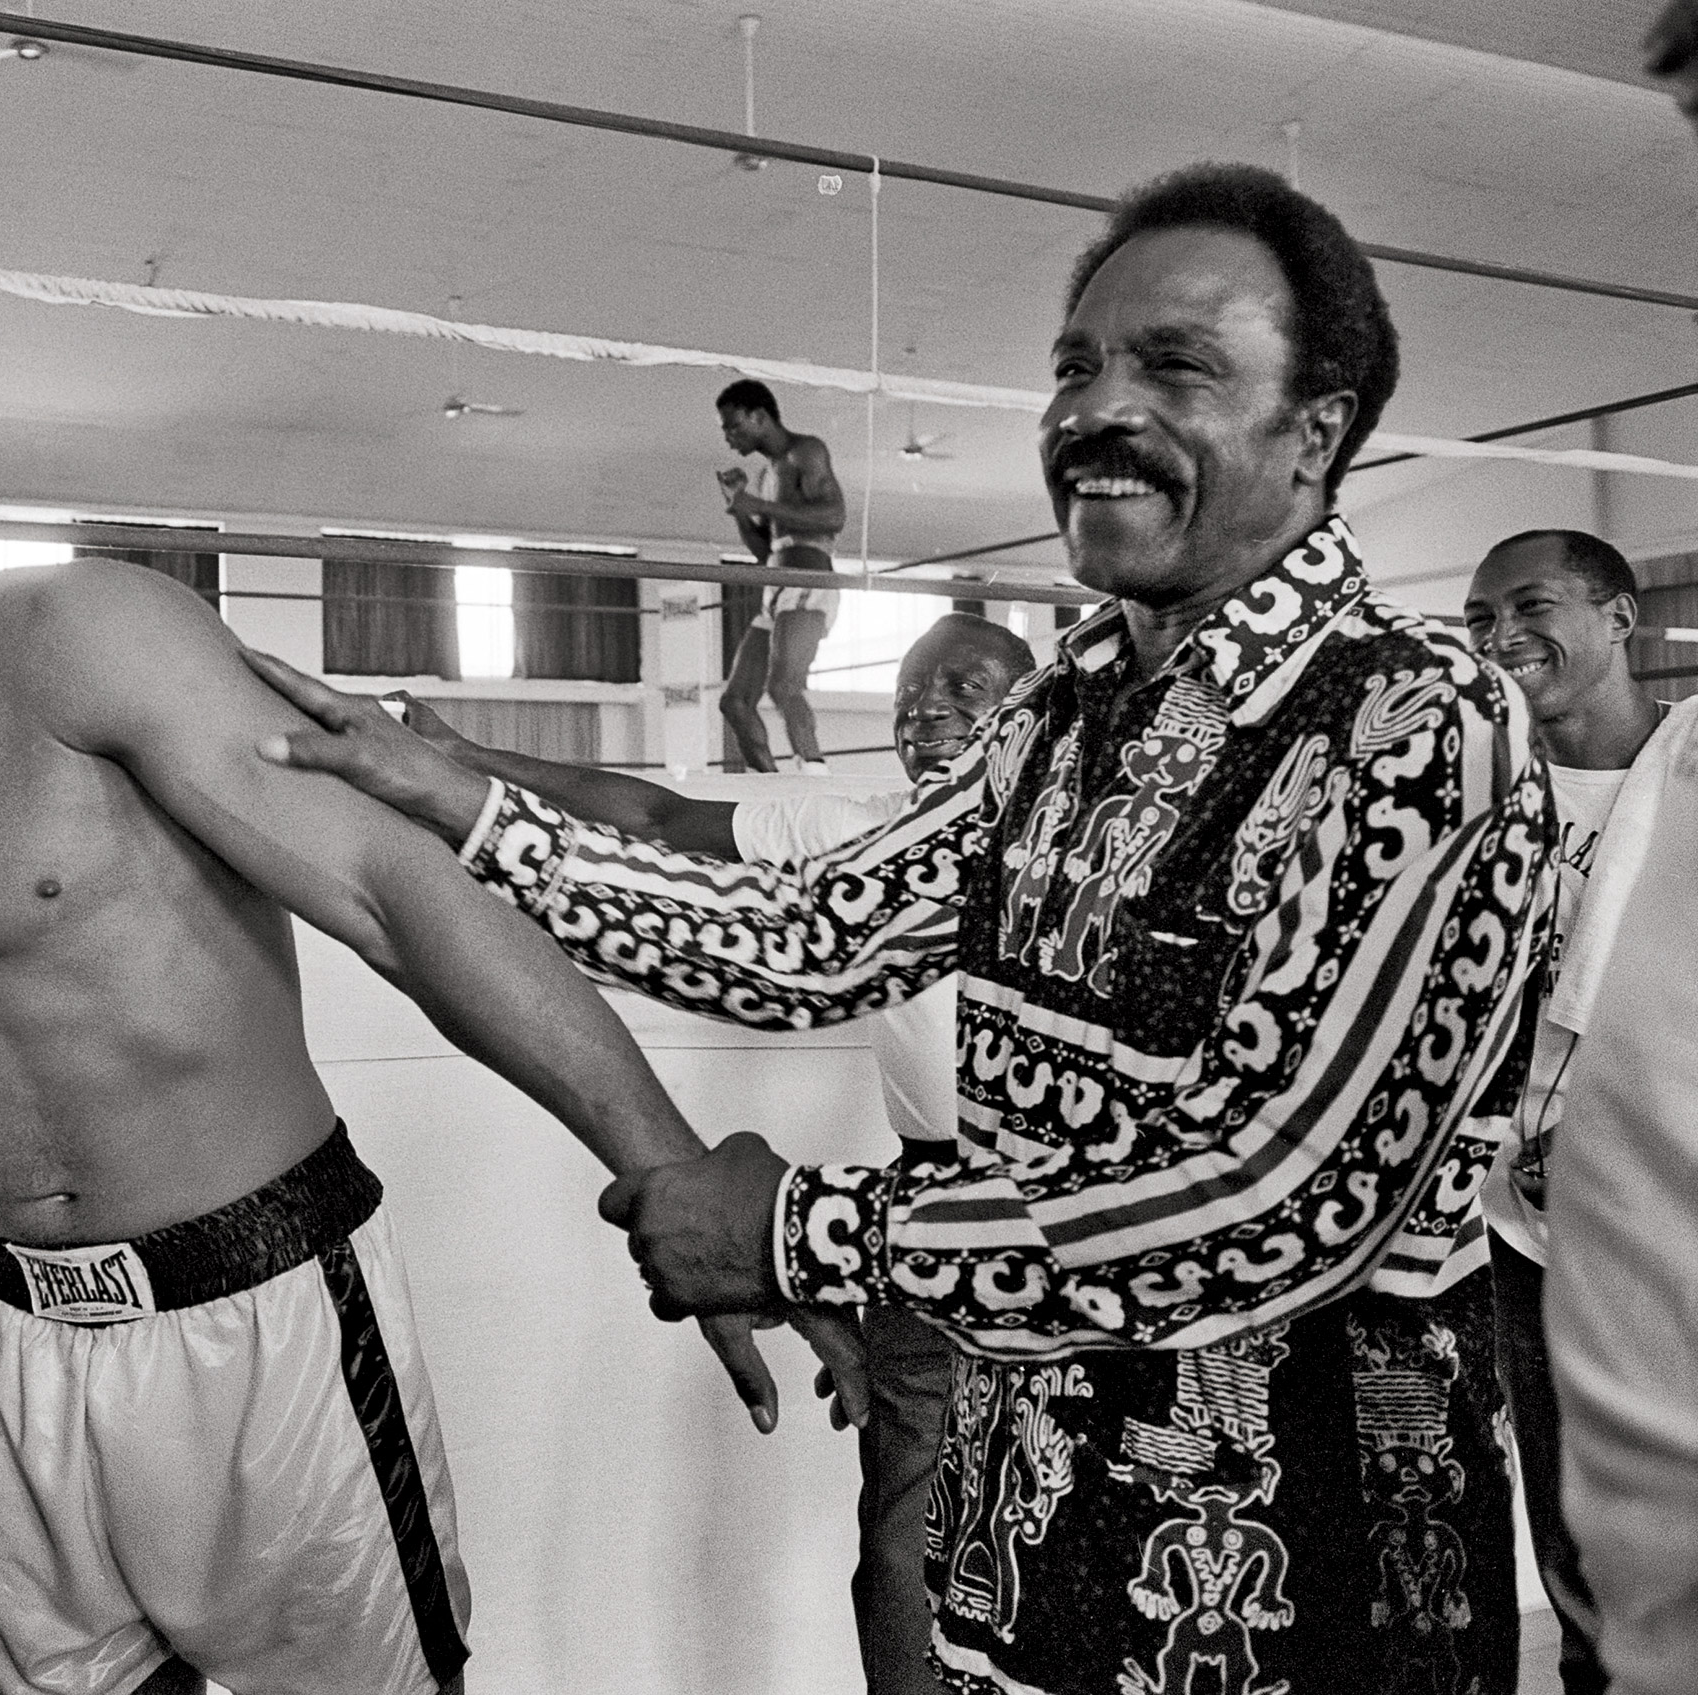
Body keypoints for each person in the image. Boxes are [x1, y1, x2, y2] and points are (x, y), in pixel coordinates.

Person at [249, 162, 1553, 1695]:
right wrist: (461, 801)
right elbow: (809, 933)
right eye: (1076, 366)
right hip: (1026, 1560)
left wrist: (797, 1228)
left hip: (1287, 1596)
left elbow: (1270, 1201)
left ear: (1316, 427)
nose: (1094, 409)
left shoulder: (1414, 718)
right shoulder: (1064, 713)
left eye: (1176, 366)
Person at [0, 374, 853, 1695]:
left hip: (262, 1322)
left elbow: (396, 893)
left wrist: (675, 1169)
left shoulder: (68, 632)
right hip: (9, 1351)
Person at [386, 608, 1034, 1695]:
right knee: (906, 1530)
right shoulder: (866, 833)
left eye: (964, 690)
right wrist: (460, 761)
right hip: (928, 1209)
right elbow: (661, 816)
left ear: (1030, 714)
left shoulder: (1105, 853)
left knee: (1092, 1514)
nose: (927, 712)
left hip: (1091, 1209)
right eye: (911, 695)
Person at [1462, 530, 1661, 1695]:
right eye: (1478, 617)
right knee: (1572, 1526)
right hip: (1515, 1224)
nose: (1498, 636)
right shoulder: (1479, 796)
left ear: (1620, 616)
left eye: (1528, 605)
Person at [715, 378, 848, 773]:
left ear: (759, 417)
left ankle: (816, 775)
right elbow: (765, 551)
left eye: (733, 425)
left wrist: (757, 504)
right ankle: (771, 785)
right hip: (776, 587)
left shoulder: (806, 451)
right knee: (735, 702)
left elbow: (833, 517)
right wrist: (740, 507)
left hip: (810, 580)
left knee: (784, 686)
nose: (728, 436)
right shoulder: (767, 474)